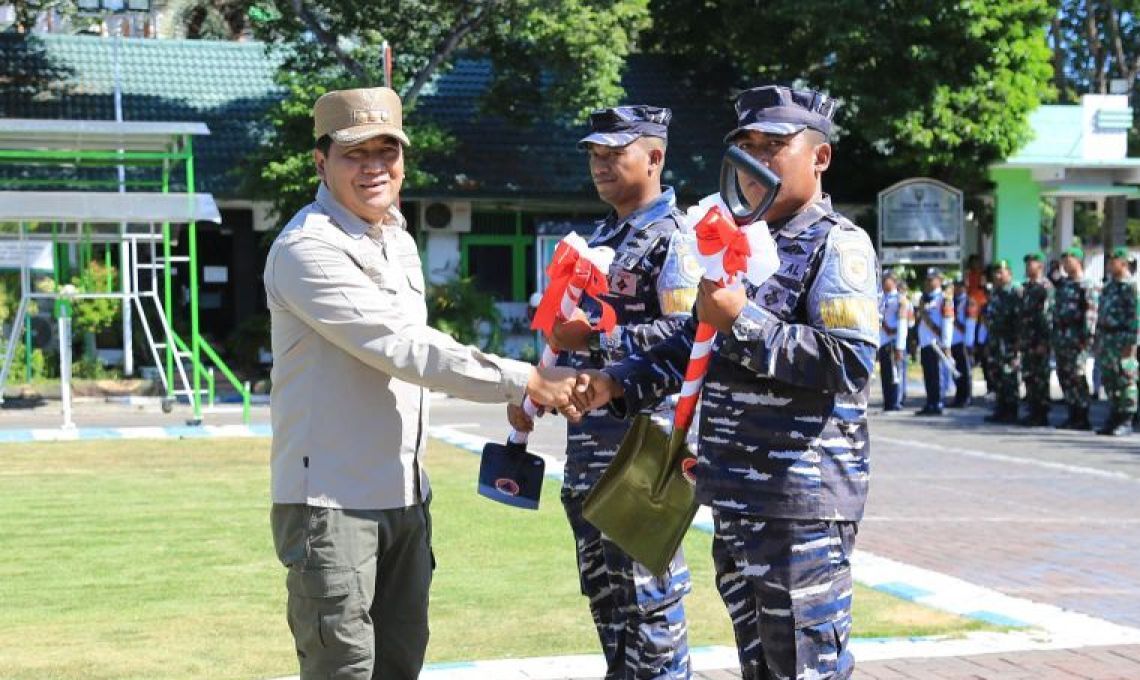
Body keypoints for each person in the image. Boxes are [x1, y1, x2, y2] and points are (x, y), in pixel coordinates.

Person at [263, 87, 583, 680]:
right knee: (345, 669)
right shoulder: (307, 250)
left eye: (387, 151)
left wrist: (518, 390)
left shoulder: (401, 242)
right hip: (333, 504)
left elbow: (415, 359)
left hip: (406, 494)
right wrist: (525, 380)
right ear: (320, 161)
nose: (374, 168)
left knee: (401, 663)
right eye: (355, 154)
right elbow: (405, 350)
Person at [574, 84, 876, 680]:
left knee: (803, 668)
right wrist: (616, 381)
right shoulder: (740, 243)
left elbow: (849, 360)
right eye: (747, 145)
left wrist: (745, 317)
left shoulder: (837, 244)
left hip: (800, 503)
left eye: (775, 145)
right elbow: (694, 343)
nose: (757, 159)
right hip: (735, 497)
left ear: (819, 157)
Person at [510, 105, 697, 679]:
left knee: (652, 623)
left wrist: (598, 335)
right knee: (611, 616)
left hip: (643, 459)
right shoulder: (604, 236)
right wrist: (542, 385)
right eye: (594, 154)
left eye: (615, 153)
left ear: (655, 156)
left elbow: (688, 339)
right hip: (591, 456)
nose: (601, 165)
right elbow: (571, 337)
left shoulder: (675, 240)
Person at [1094, 246, 1138, 436]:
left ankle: (1127, 418)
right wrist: (1098, 339)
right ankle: (1114, 415)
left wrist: (1131, 345)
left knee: (1126, 378)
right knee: (1110, 379)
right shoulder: (1109, 286)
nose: (1110, 265)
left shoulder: (1132, 287)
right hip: (1107, 338)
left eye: (1113, 262)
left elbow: (1136, 318)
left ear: (1124, 263)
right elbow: (1100, 314)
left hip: (1123, 339)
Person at [1051, 246, 1095, 430]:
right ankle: (1072, 413)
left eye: (1069, 260)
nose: (1066, 264)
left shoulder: (1086, 284)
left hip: (1077, 337)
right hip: (1062, 337)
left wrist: (1087, 338)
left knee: (1077, 375)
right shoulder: (1064, 284)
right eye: (1064, 261)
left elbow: (1091, 313)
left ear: (1078, 261)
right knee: (1064, 375)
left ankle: (1082, 415)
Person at [983, 259, 1023, 424]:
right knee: (997, 374)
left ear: (1009, 273)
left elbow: (1020, 319)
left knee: (1009, 375)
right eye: (996, 272)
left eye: (1001, 272)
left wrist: (1019, 341)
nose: (998, 275)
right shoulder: (995, 293)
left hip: (1009, 340)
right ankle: (1001, 408)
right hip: (995, 340)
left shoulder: (1015, 291)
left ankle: (1011, 410)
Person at [1018, 251, 1053, 426]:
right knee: (1029, 376)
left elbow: (1047, 317)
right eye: (1027, 263)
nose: (1028, 266)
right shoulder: (1026, 288)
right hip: (1027, 340)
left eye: (1031, 263)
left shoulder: (1046, 288)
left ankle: (1042, 413)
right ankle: (1033, 410)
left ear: (1040, 265)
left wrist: (1044, 342)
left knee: (1040, 376)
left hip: (1038, 340)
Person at [914, 268, 954, 415]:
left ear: (939, 280)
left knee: (937, 375)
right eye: (928, 279)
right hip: (925, 343)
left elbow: (948, 323)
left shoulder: (944, 299)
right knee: (928, 374)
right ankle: (930, 402)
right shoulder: (924, 299)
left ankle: (937, 403)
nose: (928, 282)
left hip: (937, 343)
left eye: (932, 279)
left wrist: (946, 344)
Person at [879, 269, 908, 411]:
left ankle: (896, 401)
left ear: (893, 281)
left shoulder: (900, 299)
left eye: (886, 279)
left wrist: (900, 346)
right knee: (886, 374)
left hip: (894, 341)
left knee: (896, 373)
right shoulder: (880, 298)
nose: (884, 282)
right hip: (883, 340)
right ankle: (888, 402)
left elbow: (905, 323)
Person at [949, 277, 977, 408]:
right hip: (953, 342)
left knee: (966, 372)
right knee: (957, 372)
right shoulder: (952, 301)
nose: (957, 288)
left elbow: (970, 325)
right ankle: (958, 396)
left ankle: (966, 397)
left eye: (960, 286)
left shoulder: (969, 302)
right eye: (956, 286)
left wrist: (969, 343)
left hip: (963, 342)